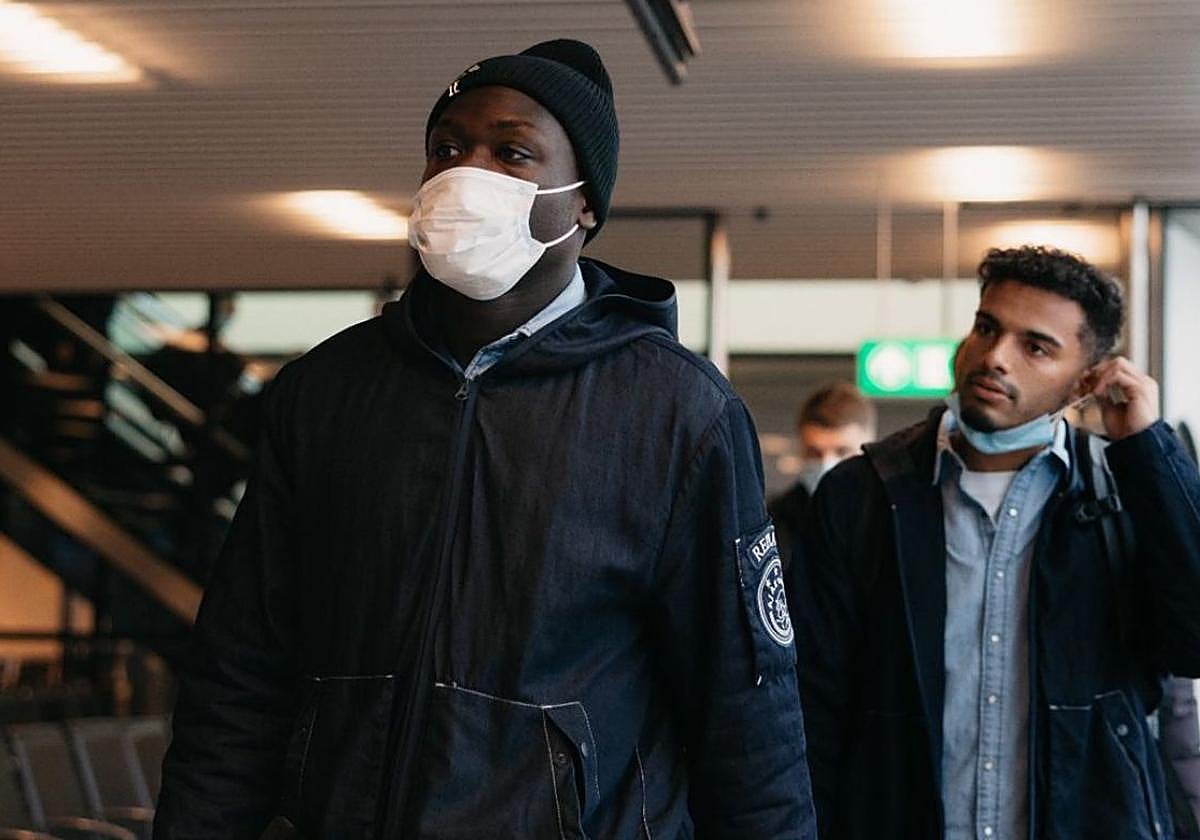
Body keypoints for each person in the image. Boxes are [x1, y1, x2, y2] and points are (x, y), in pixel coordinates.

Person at [154, 39, 816, 839]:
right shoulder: (325, 392)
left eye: (512, 152)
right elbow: (239, 671)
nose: (468, 173)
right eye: (447, 148)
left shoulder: (676, 412)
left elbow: (747, 711)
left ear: (584, 204)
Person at [789, 245, 1200, 839]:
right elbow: (810, 703)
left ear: (1087, 381)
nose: (994, 357)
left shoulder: (1121, 494)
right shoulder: (865, 493)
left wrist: (1149, 449)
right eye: (987, 328)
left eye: (1035, 347)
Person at [768, 381, 876, 568]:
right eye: (815, 452)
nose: (827, 463)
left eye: (842, 451)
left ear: (869, 445)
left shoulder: (891, 516)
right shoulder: (773, 524)